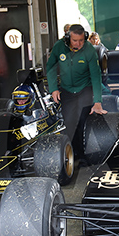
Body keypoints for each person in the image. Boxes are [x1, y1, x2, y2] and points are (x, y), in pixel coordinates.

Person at [46, 23, 107, 162]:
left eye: (81, 40)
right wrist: (53, 89)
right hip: (66, 90)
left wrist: (97, 101)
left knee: (81, 121)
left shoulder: (89, 50)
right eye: (75, 41)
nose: (79, 44)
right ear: (68, 38)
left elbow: (96, 76)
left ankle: (83, 155)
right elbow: (50, 67)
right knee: (69, 122)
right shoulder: (59, 47)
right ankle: (74, 155)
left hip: (84, 88)